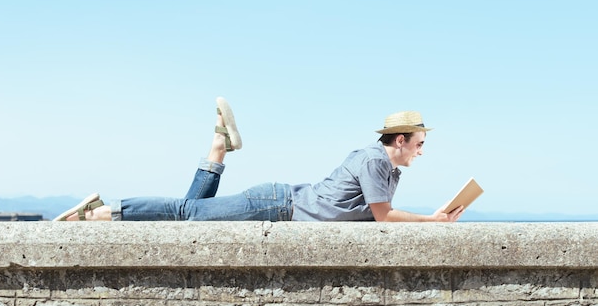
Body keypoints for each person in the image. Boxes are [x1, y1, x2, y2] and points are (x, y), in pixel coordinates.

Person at [54, 97, 464, 222]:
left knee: (187, 215)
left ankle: (218, 150)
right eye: (419, 143)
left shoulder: (384, 166)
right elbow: (382, 217)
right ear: (400, 139)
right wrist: (433, 221)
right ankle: (98, 213)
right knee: (185, 213)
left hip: (279, 204)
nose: (422, 150)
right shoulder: (376, 161)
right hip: (276, 205)